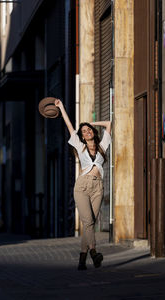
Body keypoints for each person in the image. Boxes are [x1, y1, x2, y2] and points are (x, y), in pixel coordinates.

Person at [55, 99, 111, 270]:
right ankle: (94, 253)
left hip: (97, 188)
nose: (86, 132)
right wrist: (61, 107)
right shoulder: (80, 147)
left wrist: (90, 122)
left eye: (88, 130)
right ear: (81, 136)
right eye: (83, 131)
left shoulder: (102, 146)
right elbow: (69, 126)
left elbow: (108, 123)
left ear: (93, 131)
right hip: (82, 187)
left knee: (90, 224)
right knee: (87, 222)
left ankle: (82, 259)